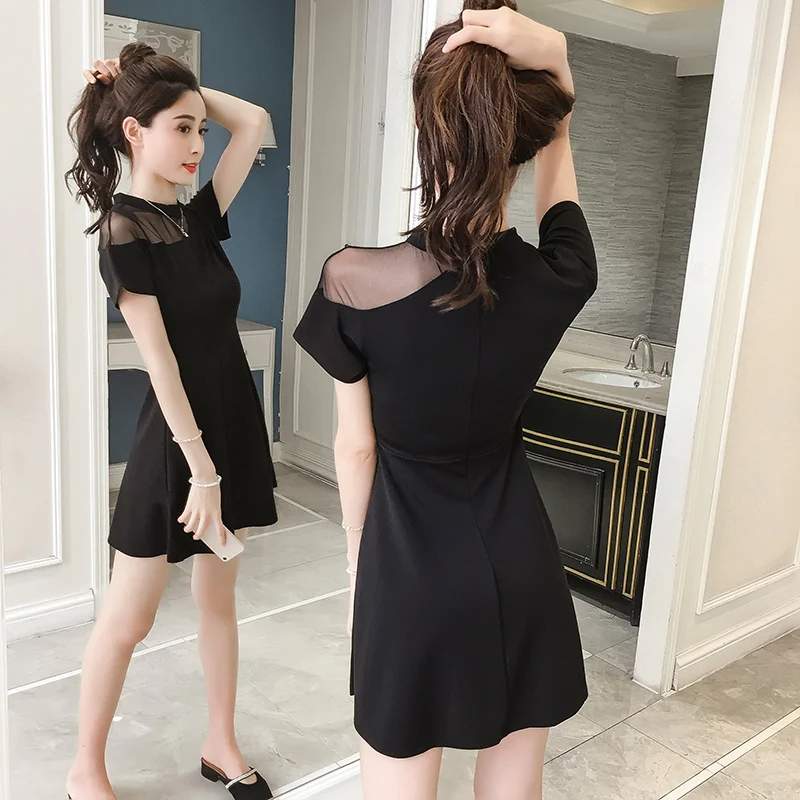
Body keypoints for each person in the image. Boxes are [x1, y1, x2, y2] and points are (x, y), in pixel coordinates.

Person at [293, 2, 596, 799]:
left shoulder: (354, 282)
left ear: (427, 126)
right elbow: (562, 207)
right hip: (523, 567)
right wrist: (559, 69)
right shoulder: (562, 279)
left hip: (410, 577)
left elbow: (356, 447)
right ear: (526, 137)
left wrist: (360, 569)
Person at [64, 43, 277, 800]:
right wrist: (202, 471)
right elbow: (159, 362)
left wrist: (163, 84)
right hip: (178, 444)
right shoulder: (124, 233)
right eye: (180, 128)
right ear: (134, 132)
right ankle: (85, 768)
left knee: (219, 599)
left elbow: (254, 120)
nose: (197, 144)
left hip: (230, 422)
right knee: (130, 618)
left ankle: (221, 743)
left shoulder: (198, 218)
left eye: (199, 130)